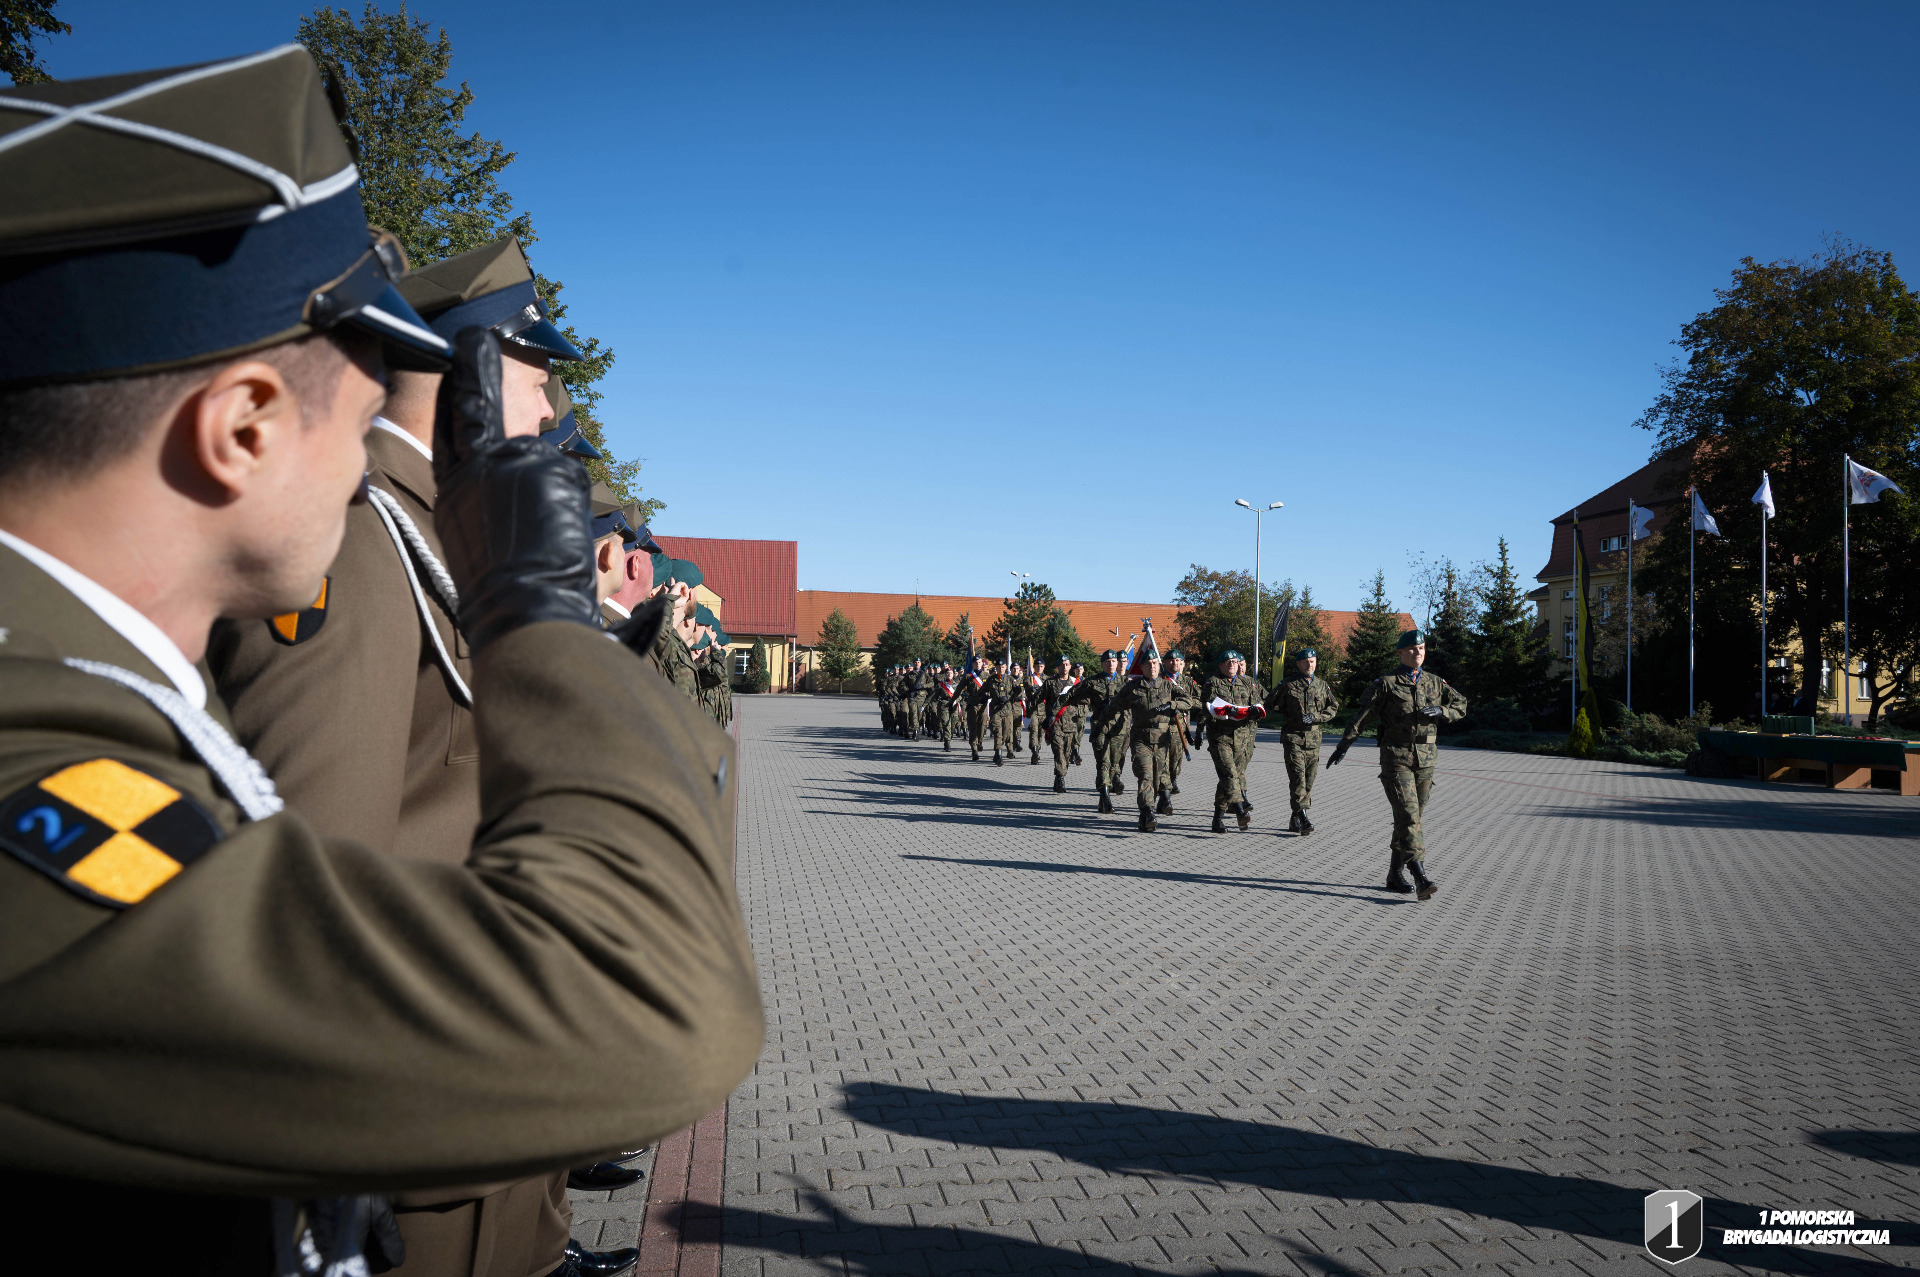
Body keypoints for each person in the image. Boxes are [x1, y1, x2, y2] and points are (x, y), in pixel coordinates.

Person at [0, 45, 762, 1273]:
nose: (376, 456)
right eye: (359, 418)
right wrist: (535, 607)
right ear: (242, 427)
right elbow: (650, 1000)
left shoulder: (78, 680)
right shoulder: (30, 749)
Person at [206, 232, 652, 1275]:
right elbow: (320, 873)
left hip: (491, 1086)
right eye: (539, 383)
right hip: (422, 1121)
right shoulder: (363, 545)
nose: (553, 421)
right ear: (476, 381)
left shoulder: (449, 537)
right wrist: (328, 1135)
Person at [1329, 629, 1468, 899]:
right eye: (1413, 649)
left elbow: (1461, 704)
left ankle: (1394, 875)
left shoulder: (1436, 682)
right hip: (1396, 758)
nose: (1419, 653)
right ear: (1401, 653)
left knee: (1408, 821)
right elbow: (1362, 717)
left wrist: (1443, 710)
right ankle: (1421, 876)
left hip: (1426, 760)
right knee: (1409, 817)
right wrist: (1342, 746)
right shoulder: (1387, 684)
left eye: (1422, 648)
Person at [1111, 652, 1192, 830]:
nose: (1153, 666)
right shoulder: (1132, 688)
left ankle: (1146, 811)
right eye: (1148, 663)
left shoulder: (1167, 686)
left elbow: (1188, 701)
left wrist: (1173, 706)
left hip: (1162, 740)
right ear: (1142, 667)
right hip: (1141, 738)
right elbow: (1115, 706)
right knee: (1145, 775)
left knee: (1156, 779)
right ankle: (1148, 811)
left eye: (1155, 663)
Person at [1268, 647, 1339, 836]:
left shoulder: (1322, 685)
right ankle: (1305, 817)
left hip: (1314, 740)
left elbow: (1333, 707)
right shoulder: (1287, 685)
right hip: (1293, 737)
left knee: (1308, 781)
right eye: (1306, 661)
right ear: (1299, 664)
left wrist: (1317, 717)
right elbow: (1268, 704)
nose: (1310, 664)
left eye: (1313, 661)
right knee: (1298, 778)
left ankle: (1295, 816)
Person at [1200, 649, 1266, 833]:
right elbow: (1206, 708)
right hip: (1221, 738)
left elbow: (1259, 704)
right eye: (1227, 662)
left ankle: (1217, 819)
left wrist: (1254, 712)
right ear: (1220, 665)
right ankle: (1239, 809)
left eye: (1235, 662)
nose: (1231, 665)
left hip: (1242, 739)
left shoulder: (1248, 683)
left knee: (1228, 778)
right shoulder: (1213, 683)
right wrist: (1223, 713)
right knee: (1229, 774)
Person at [1060, 651, 1132, 812]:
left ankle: (1108, 787)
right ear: (1102, 664)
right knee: (1103, 762)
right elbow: (1071, 694)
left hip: (1118, 729)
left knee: (1115, 761)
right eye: (1108, 661)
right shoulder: (1092, 682)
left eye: (1114, 661)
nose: (1112, 664)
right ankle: (1104, 796)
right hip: (1100, 728)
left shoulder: (1126, 682)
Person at [1035, 656, 1079, 792]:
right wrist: (1043, 715)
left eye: (1066, 664)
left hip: (1071, 724)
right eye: (1061, 665)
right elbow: (1038, 698)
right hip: (1055, 724)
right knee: (1058, 751)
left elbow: (1084, 700)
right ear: (1057, 667)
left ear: (1070, 666)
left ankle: (1058, 776)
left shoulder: (1076, 683)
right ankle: (1061, 778)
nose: (1064, 667)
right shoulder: (1050, 683)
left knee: (1066, 753)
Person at [1163, 649, 1201, 796]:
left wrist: (1182, 704)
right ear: (1165, 662)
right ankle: (1164, 785)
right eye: (1171, 660)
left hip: (1180, 726)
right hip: (1162, 725)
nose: (1175, 663)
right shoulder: (1160, 680)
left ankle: (1173, 778)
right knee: (1163, 757)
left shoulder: (1187, 682)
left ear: (1182, 663)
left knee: (1176, 756)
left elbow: (1199, 700)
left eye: (1178, 660)